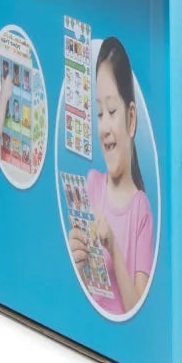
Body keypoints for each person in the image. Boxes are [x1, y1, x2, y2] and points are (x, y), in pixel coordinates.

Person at [69, 38, 154, 317]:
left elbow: (137, 308)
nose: (104, 126)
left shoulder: (140, 209)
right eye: (99, 113)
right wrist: (75, 260)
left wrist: (114, 249)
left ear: (131, 118)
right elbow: (80, 289)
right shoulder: (91, 184)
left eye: (112, 112)